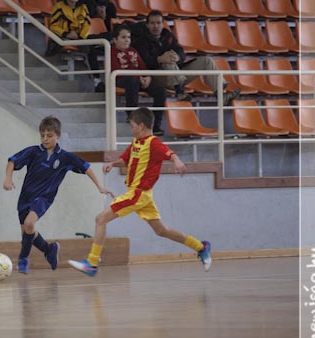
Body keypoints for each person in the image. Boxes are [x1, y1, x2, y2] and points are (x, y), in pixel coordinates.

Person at [68, 107, 212, 277]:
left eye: (132, 126)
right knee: (161, 230)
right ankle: (200, 247)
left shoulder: (153, 143)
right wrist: (113, 164)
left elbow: (170, 154)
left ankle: (92, 263)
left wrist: (177, 162)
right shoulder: (136, 142)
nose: (131, 129)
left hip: (138, 194)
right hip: (144, 196)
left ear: (141, 126)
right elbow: (125, 159)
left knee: (100, 219)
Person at [4, 116, 113, 274]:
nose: (45, 139)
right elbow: (12, 161)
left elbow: (86, 167)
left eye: (49, 136)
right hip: (25, 198)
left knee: (29, 224)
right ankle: (49, 249)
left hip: (43, 198)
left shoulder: (64, 157)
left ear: (58, 136)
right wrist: (8, 178)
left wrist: (99, 186)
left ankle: (23, 260)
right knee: (27, 231)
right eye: (42, 135)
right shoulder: (34, 151)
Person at [129, 10, 240, 105]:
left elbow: (181, 51)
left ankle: (221, 96)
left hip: (177, 74)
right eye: (152, 23)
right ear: (147, 25)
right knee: (168, 61)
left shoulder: (168, 36)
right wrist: (160, 59)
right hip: (157, 76)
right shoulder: (141, 41)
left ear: (163, 24)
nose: (156, 26)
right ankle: (180, 93)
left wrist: (178, 57)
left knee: (206, 60)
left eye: (158, 23)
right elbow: (142, 62)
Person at [46, 0, 105, 92]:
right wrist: (67, 33)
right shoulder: (59, 7)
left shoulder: (83, 7)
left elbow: (86, 24)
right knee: (90, 48)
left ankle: (97, 80)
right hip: (64, 38)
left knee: (95, 44)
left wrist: (80, 36)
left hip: (79, 38)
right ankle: (97, 80)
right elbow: (53, 26)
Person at [111, 25, 167, 136]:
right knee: (132, 80)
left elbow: (143, 67)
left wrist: (147, 77)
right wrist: (138, 77)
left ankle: (155, 125)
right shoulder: (111, 51)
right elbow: (116, 71)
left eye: (128, 37)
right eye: (123, 37)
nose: (127, 40)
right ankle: (132, 116)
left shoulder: (133, 50)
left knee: (160, 90)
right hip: (122, 80)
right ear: (115, 39)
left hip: (138, 79)